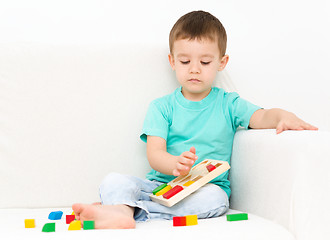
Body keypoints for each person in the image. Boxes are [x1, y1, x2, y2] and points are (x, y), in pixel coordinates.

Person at [72, 10, 318, 229]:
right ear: (172, 61)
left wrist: (284, 117)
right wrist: (175, 165)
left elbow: (262, 116)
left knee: (216, 200)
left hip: (201, 190)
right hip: (159, 188)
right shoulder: (161, 107)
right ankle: (122, 209)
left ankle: (125, 210)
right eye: (185, 61)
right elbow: (154, 154)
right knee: (113, 180)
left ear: (222, 63)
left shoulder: (229, 104)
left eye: (205, 61)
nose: (194, 69)